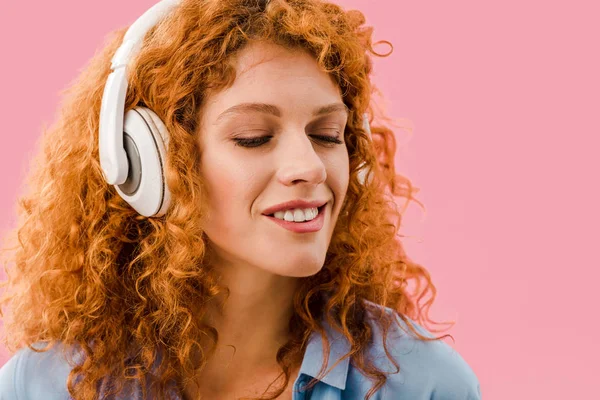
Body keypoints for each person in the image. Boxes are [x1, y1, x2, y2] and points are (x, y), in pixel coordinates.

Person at [0, 0, 481, 399]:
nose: (310, 166)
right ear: (152, 166)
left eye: (327, 134)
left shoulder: (423, 385)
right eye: (254, 137)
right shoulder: (43, 386)